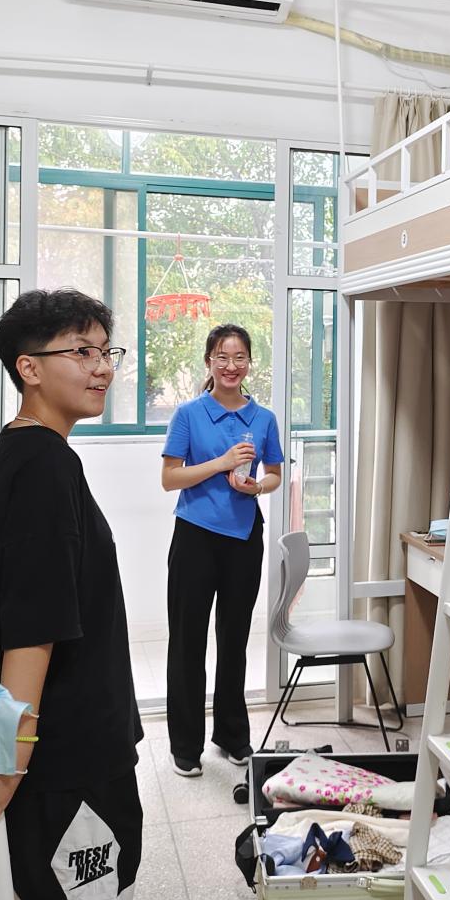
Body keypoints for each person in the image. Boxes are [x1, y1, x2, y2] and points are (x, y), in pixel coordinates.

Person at [0, 289, 143, 900]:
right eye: (81, 351)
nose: (102, 367)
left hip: (68, 756)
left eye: (106, 351)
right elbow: (32, 632)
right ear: (27, 367)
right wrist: (7, 762)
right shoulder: (41, 466)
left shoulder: (24, 452)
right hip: (71, 765)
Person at [161, 322, 283, 777]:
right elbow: (170, 478)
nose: (231, 366)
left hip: (244, 538)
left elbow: (274, 474)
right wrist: (221, 463)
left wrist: (257, 487)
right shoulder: (189, 414)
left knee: (234, 641)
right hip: (194, 536)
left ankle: (232, 735)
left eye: (239, 357)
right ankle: (185, 745)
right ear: (209, 362)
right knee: (187, 641)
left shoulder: (264, 418)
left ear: (249, 362)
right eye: (222, 357)